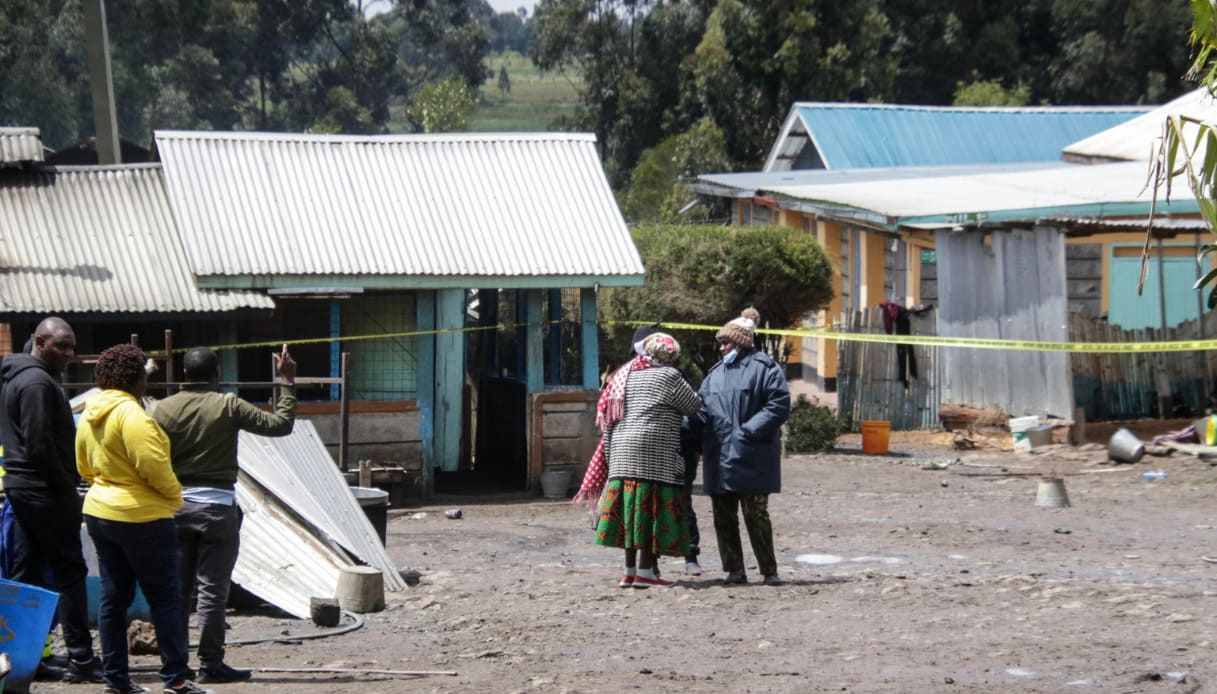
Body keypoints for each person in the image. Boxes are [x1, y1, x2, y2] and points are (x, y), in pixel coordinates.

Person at [151, 345, 297, 684]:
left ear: (184, 375)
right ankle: (211, 664)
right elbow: (280, 425)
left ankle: (174, 664)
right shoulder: (228, 405)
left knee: (177, 592)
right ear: (217, 374)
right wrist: (286, 383)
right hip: (217, 510)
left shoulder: (161, 410)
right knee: (212, 592)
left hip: (175, 509)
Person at [76, 343, 207, 694]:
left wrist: (109, 485)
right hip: (142, 516)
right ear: (135, 379)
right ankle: (176, 679)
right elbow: (154, 467)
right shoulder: (133, 416)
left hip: (99, 511)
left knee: (113, 597)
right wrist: (173, 497)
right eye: (144, 377)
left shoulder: (90, 415)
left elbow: (84, 467)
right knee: (165, 597)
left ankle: (115, 680)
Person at [0, 317, 103, 683]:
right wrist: (65, 487)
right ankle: (81, 659)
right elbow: (38, 443)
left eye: (72, 346)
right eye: (61, 346)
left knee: (26, 576)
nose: (69, 354)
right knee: (70, 572)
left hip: (24, 488)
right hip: (42, 490)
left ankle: (21, 658)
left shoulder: (21, 377)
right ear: (39, 342)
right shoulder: (36, 382)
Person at [594, 333, 702, 588]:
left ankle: (629, 572)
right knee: (649, 513)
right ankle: (645, 573)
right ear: (671, 357)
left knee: (629, 514)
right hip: (652, 453)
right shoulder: (669, 375)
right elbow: (693, 405)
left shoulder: (624, 374)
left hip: (620, 452)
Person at [691, 308, 790, 586]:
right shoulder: (714, 374)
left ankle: (769, 570)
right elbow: (701, 409)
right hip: (718, 456)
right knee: (723, 517)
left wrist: (748, 432)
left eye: (726, 343)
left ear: (741, 342)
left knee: (756, 514)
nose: (722, 348)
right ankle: (734, 569)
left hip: (752, 456)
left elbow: (778, 405)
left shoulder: (766, 369)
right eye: (721, 344)